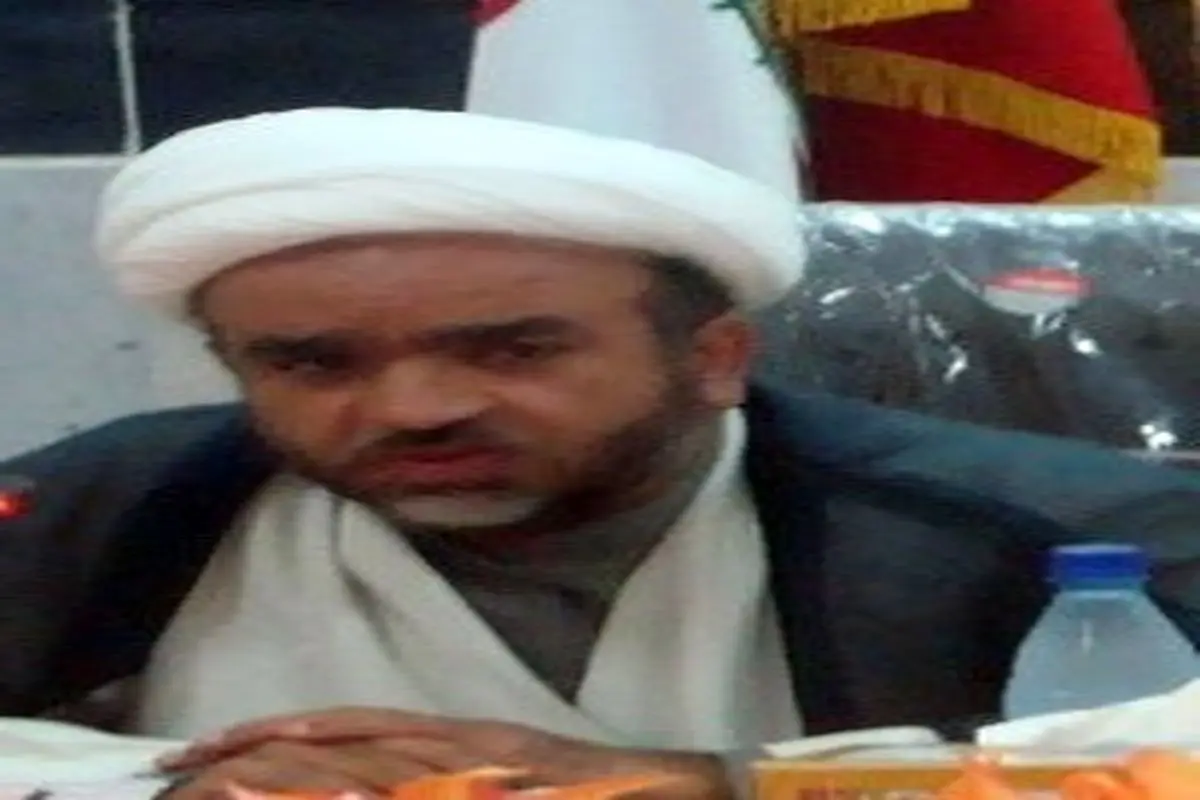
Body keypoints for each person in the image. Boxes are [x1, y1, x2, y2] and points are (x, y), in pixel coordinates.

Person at [2, 107, 1199, 800]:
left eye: (511, 349)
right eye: (315, 363)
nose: (414, 406)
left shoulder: (1023, 521)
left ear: (717, 355)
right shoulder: (116, 501)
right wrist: (170, 783)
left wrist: (710, 780)